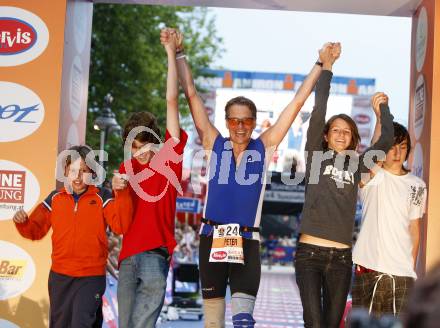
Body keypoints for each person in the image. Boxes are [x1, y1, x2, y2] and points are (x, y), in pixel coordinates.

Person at [161, 28, 338, 328]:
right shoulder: (212, 142)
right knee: (214, 323)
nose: (240, 126)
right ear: (226, 122)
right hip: (211, 240)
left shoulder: (263, 147)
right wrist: (178, 53)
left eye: (246, 120)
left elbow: (295, 104)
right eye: (234, 120)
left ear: (255, 123)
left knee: (243, 321)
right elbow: (190, 93)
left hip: (246, 243)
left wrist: (320, 64)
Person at [294, 57, 395, 326]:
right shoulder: (316, 156)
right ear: (326, 136)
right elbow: (319, 109)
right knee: (314, 323)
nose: (341, 135)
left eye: (347, 132)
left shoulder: (359, 164)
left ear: (353, 139)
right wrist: (327, 68)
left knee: (332, 324)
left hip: (341, 258)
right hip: (309, 255)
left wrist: (382, 110)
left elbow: (386, 141)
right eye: (335, 130)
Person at [12, 145, 133, 328]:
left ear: (92, 172)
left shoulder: (103, 197)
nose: (78, 176)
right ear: (65, 171)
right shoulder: (55, 199)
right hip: (60, 277)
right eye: (73, 170)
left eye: (84, 171)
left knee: (81, 324)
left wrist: (122, 193)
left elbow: (121, 225)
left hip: (90, 277)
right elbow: (35, 231)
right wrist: (22, 222)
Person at [115, 29, 188, 328]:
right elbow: (119, 223)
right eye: (133, 146)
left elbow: (172, 100)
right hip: (127, 257)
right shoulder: (124, 170)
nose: (140, 151)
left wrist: (171, 53)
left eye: (144, 144)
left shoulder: (169, 156)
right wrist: (117, 190)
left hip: (155, 256)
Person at [352, 118, 427, 317]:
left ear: (408, 150)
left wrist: (410, 268)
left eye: (402, 147)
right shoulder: (373, 177)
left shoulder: (417, 185)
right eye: (391, 146)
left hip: (402, 274)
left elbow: (414, 230)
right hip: (368, 268)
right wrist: (380, 118)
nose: (396, 153)